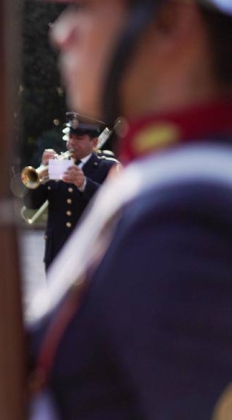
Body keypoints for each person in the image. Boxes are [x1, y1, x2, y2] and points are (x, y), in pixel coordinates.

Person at [26, 0, 232, 418]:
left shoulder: (187, 222)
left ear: (169, 20)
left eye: (83, 8)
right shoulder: (174, 180)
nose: (61, 33)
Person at [23, 112, 118, 270]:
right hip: (57, 254)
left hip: (92, 254)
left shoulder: (108, 167)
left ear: (94, 142)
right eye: (70, 137)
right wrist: (41, 171)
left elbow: (113, 206)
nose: (72, 143)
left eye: (79, 139)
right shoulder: (57, 165)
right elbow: (31, 204)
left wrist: (84, 183)